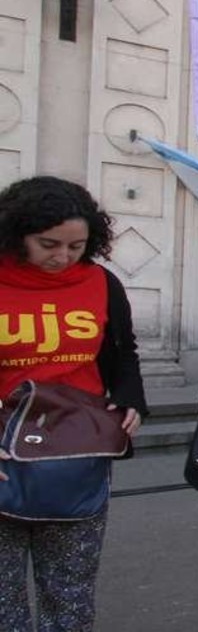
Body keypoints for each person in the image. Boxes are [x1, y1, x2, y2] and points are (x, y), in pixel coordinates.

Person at [0, 176, 146, 631]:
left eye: (76, 246)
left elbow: (123, 353)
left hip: (75, 457)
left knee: (71, 593)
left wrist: (129, 400)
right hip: (5, 455)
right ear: (16, 233)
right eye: (48, 244)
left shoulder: (102, 283)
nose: (62, 257)